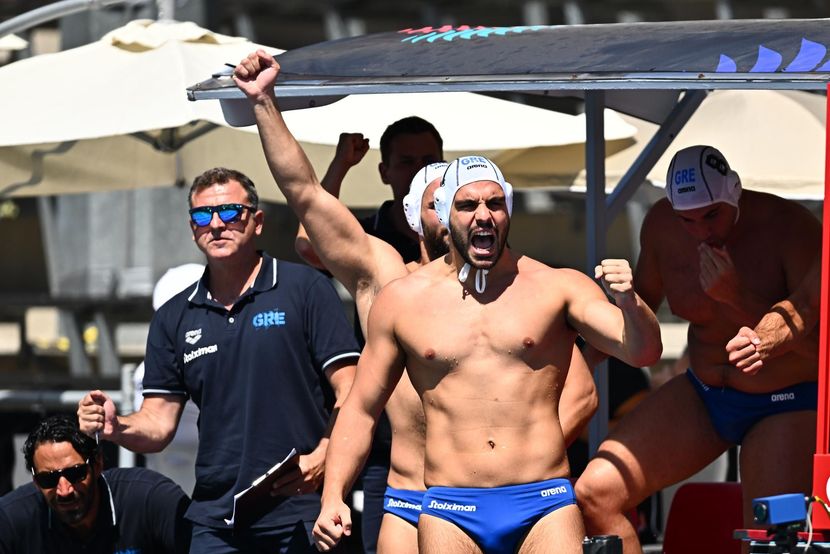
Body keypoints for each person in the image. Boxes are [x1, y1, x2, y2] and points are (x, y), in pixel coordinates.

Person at [232, 49, 599, 554]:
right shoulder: (386, 280)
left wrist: (514, 454)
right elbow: (306, 195)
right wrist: (264, 104)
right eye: (440, 200)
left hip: (520, 493)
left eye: (461, 198)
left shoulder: (513, 290)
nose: (465, 211)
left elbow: (580, 393)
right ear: (415, 212)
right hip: (409, 492)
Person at [304, 148, 661, 552]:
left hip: (542, 502)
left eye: (494, 203)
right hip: (450, 507)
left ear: (508, 211)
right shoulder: (403, 301)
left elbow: (643, 351)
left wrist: (630, 302)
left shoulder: (556, 286)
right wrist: (333, 494)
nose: (483, 215)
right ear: (444, 214)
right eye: (467, 205)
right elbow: (361, 408)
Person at [77, 167, 360, 553]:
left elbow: (354, 389)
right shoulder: (174, 316)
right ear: (192, 228)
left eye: (230, 213)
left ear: (257, 221)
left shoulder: (304, 288)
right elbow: (158, 423)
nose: (215, 224)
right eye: (201, 216)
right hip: (215, 518)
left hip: (302, 510)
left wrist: (326, 457)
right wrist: (116, 426)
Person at [575, 145, 821, 553]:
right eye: (687, 218)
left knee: (767, 540)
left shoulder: (790, 227)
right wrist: (576, 358)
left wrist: (736, 297)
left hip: (786, 399)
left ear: (734, 192)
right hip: (705, 392)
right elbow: (637, 319)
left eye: (712, 214)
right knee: (596, 492)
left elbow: (820, 349)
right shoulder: (661, 227)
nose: (701, 230)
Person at [294, 117, 445, 554]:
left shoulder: (460, 232)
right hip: (382, 424)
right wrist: (340, 165)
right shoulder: (371, 233)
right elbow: (308, 240)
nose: (418, 169)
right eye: (406, 161)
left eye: (429, 160)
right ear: (385, 172)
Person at [0, 415, 191, 553]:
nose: (64, 490)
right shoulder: (10, 519)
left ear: (98, 464)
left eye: (75, 473)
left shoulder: (151, 499)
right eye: (48, 479)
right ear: (35, 481)